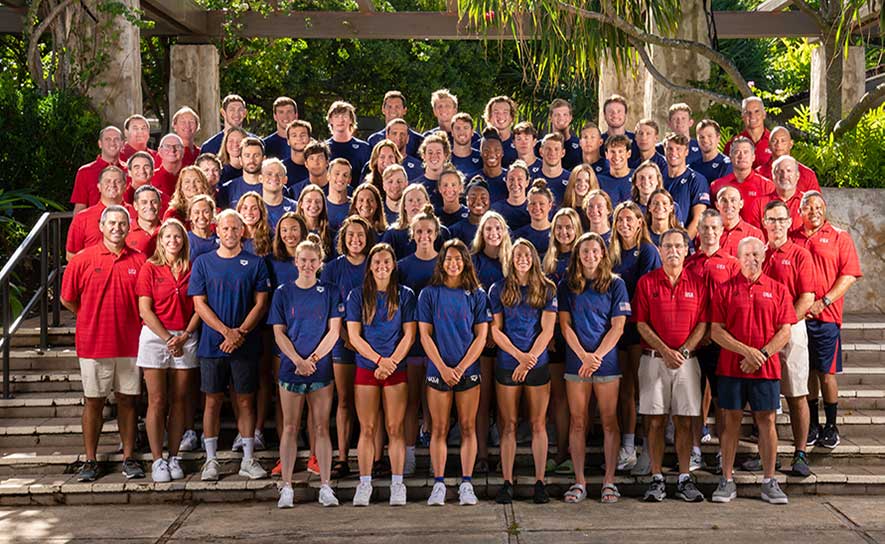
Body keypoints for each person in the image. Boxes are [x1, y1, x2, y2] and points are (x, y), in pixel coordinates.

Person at [61, 205, 147, 482]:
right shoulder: (82, 259)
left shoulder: (140, 260)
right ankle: (90, 460)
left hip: (130, 343)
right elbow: (67, 298)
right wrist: (88, 316)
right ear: (101, 226)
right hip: (94, 343)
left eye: (122, 223)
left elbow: (145, 301)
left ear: (129, 227)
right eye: (111, 223)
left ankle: (129, 457)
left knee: (128, 401)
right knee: (94, 401)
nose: (117, 228)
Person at [711, 236, 795, 505]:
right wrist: (746, 352)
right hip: (731, 367)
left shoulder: (778, 289)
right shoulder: (724, 289)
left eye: (756, 254)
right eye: (746, 255)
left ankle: (769, 481)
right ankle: (727, 479)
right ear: (738, 258)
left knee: (767, 421)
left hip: (766, 370)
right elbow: (715, 331)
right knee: (731, 421)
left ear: (763, 257)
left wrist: (762, 355)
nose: (752, 259)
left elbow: (785, 331)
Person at [189, 209, 270, 482]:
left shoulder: (256, 263)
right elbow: (199, 304)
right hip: (212, 344)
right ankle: (211, 460)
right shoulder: (203, 262)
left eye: (235, 228)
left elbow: (261, 303)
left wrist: (240, 333)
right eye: (225, 228)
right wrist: (226, 332)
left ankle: (248, 458)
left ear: (242, 231)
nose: (231, 233)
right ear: (217, 231)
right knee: (212, 401)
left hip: (245, 345)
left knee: (245, 400)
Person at [634, 229, 708, 503]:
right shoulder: (647, 282)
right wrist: (665, 351)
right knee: (654, 421)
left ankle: (684, 477)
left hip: (687, 362)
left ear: (687, 250)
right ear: (660, 250)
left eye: (678, 246)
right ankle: (656, 478)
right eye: (668, 246)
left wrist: (683, 350)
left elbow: (703, 323)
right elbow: (641, 323)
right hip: (654, 360)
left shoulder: (698, 283)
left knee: (684, 421)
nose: (673, 251)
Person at [269, 233, 342, 508]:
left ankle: (325, 485)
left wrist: (312, 359)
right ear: (296, 262)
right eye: (303, 260)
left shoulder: (331, 291)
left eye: (313, 261)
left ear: (320, 262)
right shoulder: (283, 292)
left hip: (320, 369)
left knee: (321, 427)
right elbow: (279, 333)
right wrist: (298, 361)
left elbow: (334, 331)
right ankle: (287, 486)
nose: (308, 265)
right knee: (290, 426)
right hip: (291, 369)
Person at [558, 232, 630, 503]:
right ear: (578, 255)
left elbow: (618, 327)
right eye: (585, 251)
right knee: (578, 422)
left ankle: (609, 482)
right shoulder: (567, 285)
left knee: (610, 421)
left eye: (595, 251)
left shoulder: (616, 284)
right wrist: (583, 357)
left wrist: (596, 357)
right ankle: (579, 481)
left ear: (603, 254)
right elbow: (565, 325)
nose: (590, 256)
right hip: (576, 362)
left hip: (606, 363)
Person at [418, 239, 491, 506]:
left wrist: (460, 368)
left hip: (467, 369)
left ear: (466, 263)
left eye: (458, 259)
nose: (453, 263)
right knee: (439, 427)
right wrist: (443, 367)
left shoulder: (477, 295)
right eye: (448, 258)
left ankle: (467, 484)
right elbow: (425, 335)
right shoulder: (429, 294)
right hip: (438, 369)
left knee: (468, 426)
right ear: (441, 262)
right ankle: (439, 484)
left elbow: (481, 336)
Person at [346, 243, 417, 506]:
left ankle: (397, 484)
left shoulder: (405, 295)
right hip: (367, 366)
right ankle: (364, 483)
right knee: (367, 428)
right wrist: (379, 361)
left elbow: (409, 335)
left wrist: (391, 362)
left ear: (394, 265)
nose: (382, 266)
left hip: (396, 367)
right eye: (377, 262)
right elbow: (354, 336)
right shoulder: (357, 296)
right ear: (370, 266)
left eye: (387, 261)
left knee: (394, 428)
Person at [791, 191, 862, 449]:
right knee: (806, 372)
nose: (814, 211)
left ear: (825, 209)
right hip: (799, 318)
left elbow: (849, 275)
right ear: (800, 211)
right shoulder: (792, 238)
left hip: (826, 318)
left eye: (818, 207)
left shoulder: (839, 237)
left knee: (826, 373)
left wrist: (824, 301)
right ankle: (812, 424)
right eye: (808, 207)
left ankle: (831, 426)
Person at [490, 239, 557, 504]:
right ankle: (507, 482)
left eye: (527, 254)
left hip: (537, 363)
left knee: (538, 423)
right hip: (508, 363)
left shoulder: (547, 288)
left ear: (534, 258)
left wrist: (529, 359)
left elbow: (548, 330)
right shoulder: (499, 288)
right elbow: (496, 330)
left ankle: (540, 482)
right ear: (510, 258)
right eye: (517, 254)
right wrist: (519, 357)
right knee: (508, 424)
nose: (522, 259)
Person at [135, 219, 200, 482]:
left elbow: (199, 307)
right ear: (160, 241)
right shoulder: (149, 268)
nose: (173, 241)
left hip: (186, 336)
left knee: (179, 400)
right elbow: (144, 309)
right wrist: (167, 338)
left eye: (178, 237)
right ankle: (157, 460)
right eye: (168, 237)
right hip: (155, 336)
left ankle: (173, 456)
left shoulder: (193, 268)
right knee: (157, 400)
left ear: (184, 241)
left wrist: (183, 336)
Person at [754, 200, 816, 476]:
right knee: (763, 398)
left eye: (781, 219)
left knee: (796, 393)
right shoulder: (758, 253)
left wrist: (785, 326)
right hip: (761, 333)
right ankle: (767, 455)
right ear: (764, 222)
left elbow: (807, 298)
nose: (776, 224)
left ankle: (800, 454)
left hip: (791, 330)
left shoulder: (800, 254)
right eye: (771, 219)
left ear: (790, 222)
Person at [684, 209, 741, 471]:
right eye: (704, 227)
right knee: (694, 399)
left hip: (720, 343)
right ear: (698, 231)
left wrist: (715, 332)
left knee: (721, 400)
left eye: (714, 228)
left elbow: (735, 303)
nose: (709, 232)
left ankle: (722, 451)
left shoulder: (732, 264)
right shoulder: (689, 263)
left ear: (721, 231)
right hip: (694, 342)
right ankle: (695, 450)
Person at [609, 201, 662, 472]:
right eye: (620, 220)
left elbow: (647, 292)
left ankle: (648, 447)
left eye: (630, 219)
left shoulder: (648, 251)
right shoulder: (611, 251)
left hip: (640, 327)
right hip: (616, 328)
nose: (625, 224)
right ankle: (628, 446)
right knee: (625, 389)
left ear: (640, 222)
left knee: (645, 390)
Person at [321, 215, 375, 477]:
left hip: (373, 343)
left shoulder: (375, 263)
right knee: (344, 400)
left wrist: (364, 341)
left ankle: (376, 457)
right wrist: (347, 337)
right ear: (343, 238)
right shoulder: (333, 268)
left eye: (360, 235)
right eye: (351, 235)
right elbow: (328, 307)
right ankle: (342, 458)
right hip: (342, 342)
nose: (356, 239)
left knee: (373, 403)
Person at [398, 205, 443, 474]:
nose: (424, 236)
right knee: (412, 399)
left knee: (435, 403)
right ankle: (410, 453)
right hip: (412, 343)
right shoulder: (403, 266)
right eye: (419, 231)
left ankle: (436, 452)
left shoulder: (445, 263)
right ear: (412, 234)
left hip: (441, 343)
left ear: (436, 233)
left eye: (429, 231)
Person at [470, 211, 513, 471]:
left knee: (505, 403)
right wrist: (485, 332)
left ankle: (506, 456)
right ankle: (482, 455)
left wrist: (500, 333)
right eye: (488, 229)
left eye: (498, 228)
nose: (493, 233)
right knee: (483, 399)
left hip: (509, 337)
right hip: (482, 338)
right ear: (481, 233)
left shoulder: (512, 260)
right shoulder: (474, 261)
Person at [542, 208, 583, 473]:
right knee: (558, 397)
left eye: (569, 227)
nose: (564, 232)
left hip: (581, 335)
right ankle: (559, 451)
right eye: (559, 227)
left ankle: (575, 452)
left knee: (579, 401)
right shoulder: (547, 261)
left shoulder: (584, 256)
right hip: (554, 336)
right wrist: (547, 334)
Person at [66, 166, 136, 260]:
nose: (112, 185)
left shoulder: (137, 214)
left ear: (125, 187)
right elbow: (71, 256)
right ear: (99, 187)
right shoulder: (82, 218)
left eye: (118, 181)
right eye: (107, 181)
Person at [711, 137, 775, 223]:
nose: (741, 156)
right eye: (737, 152)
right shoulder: (717, 185)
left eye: (746, 152)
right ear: (730, 156)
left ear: (753, 157)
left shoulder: (767, 186)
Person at [662, 133, 710, 239]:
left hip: (683, 241)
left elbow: (698, 219)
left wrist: (683, 243)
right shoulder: (657, 177)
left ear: (686, 152)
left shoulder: (697, 180)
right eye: (670, 149)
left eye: (678, 149)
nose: (673, 153)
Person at [382, 183, 450, 259]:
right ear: (404, 205)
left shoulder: (441, 232)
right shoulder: (392, 234)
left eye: (419, 200)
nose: (415, 204)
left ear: (427, 203)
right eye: (410, 200)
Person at [746, 155, 806, 233]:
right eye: (780, 171)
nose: (784, 176)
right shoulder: (759, 204)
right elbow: (754, 235)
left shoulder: (807, 202)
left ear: (797, 176)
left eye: (789, 171)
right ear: (773, 176)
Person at [71, 126, 124, 213]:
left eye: (116, 139)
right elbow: (80, 207)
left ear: (122, 144)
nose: (112, 143)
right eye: (108, 139)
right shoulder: (85, 172)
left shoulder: (131, 171)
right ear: (100, 144)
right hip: (94, 220)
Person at [755, 126, 821, 193]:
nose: (778, 144)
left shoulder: (807, 175)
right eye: (774, 141)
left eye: (783, 141)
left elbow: (816, 199)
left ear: (791, 144)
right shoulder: (758, 174)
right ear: (769, 145)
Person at [367, 91, 424, 157]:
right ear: (383, 109)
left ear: (405, 110)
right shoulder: (374, 140)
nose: (393, 110)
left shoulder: (418, 140)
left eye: (397, 107)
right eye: (389, 106)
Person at [326, 100, 370, 182]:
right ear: (330, 120)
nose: (341, 120)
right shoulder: (324, 148)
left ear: (351, 120)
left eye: (344, 116)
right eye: (336, 116)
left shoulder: (364, 148)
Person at [723, 96, 772, 168]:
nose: (752, 116)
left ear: (764, 114)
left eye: (756, 111)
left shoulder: (775, 141)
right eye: (748, 112)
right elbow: (726, 170)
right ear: (742, 116)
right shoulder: (733, 144)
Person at [716, 186, 764, 257]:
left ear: (741, 204)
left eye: (733, 200)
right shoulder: (709, 233)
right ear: (717, 205)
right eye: (724, 201)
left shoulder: (755, 234)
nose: (729, 205)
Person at [220, 137, 266, 210]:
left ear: (263, 159)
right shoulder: (227, 189)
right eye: (247, 156)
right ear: (240, 160)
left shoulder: (275, 188)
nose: (251, 160)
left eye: (256, 155)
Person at [513, 180, 554, 256]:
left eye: (541, 204)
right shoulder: (518, 235)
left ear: (550, 205)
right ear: (527, 206)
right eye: (533, 203)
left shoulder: (557, 233)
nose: (537, 208)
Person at [490, 161, 531, 231]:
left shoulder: (534, 208)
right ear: (506, 181)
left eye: (519, 179)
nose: (515, 183)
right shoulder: (496, 209)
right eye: (511, 179)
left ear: (527, 182)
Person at [449, 177, 491, 245]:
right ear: (466, 200)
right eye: (473, 197)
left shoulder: (500, 229)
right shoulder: (455, 231)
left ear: (489, 200)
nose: (478, 202)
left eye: (483, 197)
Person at [151, 134, 186, 214]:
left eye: (177, 146)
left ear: (183, 151)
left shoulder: (191, 176)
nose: (172, 150)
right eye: (167, 146)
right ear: (159, 151)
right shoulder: (151, 178)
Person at [295, 184, 333, 258]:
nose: (313, 205)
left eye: (318, 201)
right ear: (301, 204)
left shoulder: (330, 234)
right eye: (309, 201)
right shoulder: (293, 232)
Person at [259, 158, 297, 231]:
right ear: (260, 178)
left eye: (279, 175)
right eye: (269, 174)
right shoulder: (252, 208)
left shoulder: (296, 208)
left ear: (285, 180)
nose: (274, 178)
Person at [597, 134, 633, 206]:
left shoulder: (638, 176)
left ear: (628, 153)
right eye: (612, 152)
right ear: (606, 154)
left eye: (620, 151)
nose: (616, 156)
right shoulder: (599, 180)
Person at [546, 98, 583, 169]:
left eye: (565, 114)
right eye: (557, 115)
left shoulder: (580, 145)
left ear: (570, 118)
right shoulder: (541, 145)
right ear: (550, 118)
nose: (561, 118)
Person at [483, 95, 518, 167]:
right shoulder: (479, 146)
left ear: (511, 117)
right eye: (496, 112)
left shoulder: (520, 145)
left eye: (505, 112)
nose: (501, 116)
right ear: (489, 117)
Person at [536, 133, 571, 205]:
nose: (552, 153)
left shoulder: (571, 179)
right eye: (548, 149)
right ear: (541, 152)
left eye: (556, 149)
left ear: (563, 153)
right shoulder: (531, 178)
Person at [126, 185, 161, 257]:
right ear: (135, 205)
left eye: (154, 202)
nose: (150, 206)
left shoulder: (168, 229)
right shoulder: (125, 231)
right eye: (144, 202)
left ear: (160, 204)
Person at [414, 132, 451, 199]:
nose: (434, 156)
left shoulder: (453, 184)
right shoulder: (415, 187)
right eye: (430, 153)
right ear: (423, 156)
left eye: (438, 152)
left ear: (445, 155)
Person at [237, 192, 272, 258]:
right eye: (245, 208)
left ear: (261, 211)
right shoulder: (233, 237)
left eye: (254, 208)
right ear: (239, 211)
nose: (249, 212)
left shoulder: (270, 238)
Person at [186, 194, 219, 262]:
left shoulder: (220, 240)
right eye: (196, 212)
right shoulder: (185, 240)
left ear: (212, 214)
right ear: (190, 216)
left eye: (206, 212)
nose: (201, 216)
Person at [478, 128, 508, 203]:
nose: (491, 154)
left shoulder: (511, 179)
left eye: (496, 150)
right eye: (486, 150)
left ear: (502, 152)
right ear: (481, 152)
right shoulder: (473, 180)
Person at [326, 158, 354, 233]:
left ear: (349, 180)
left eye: (345, 175)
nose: (341, 178)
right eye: (337, 174)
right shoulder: (320, 205)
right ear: (328, 176)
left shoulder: (356, 206)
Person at [281, 119, 312, 186]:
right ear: (288, 141)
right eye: (294, 135)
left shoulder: (318, 166)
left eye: (303, 135)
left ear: (309, 139)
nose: (299, 138)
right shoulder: (281, 168)